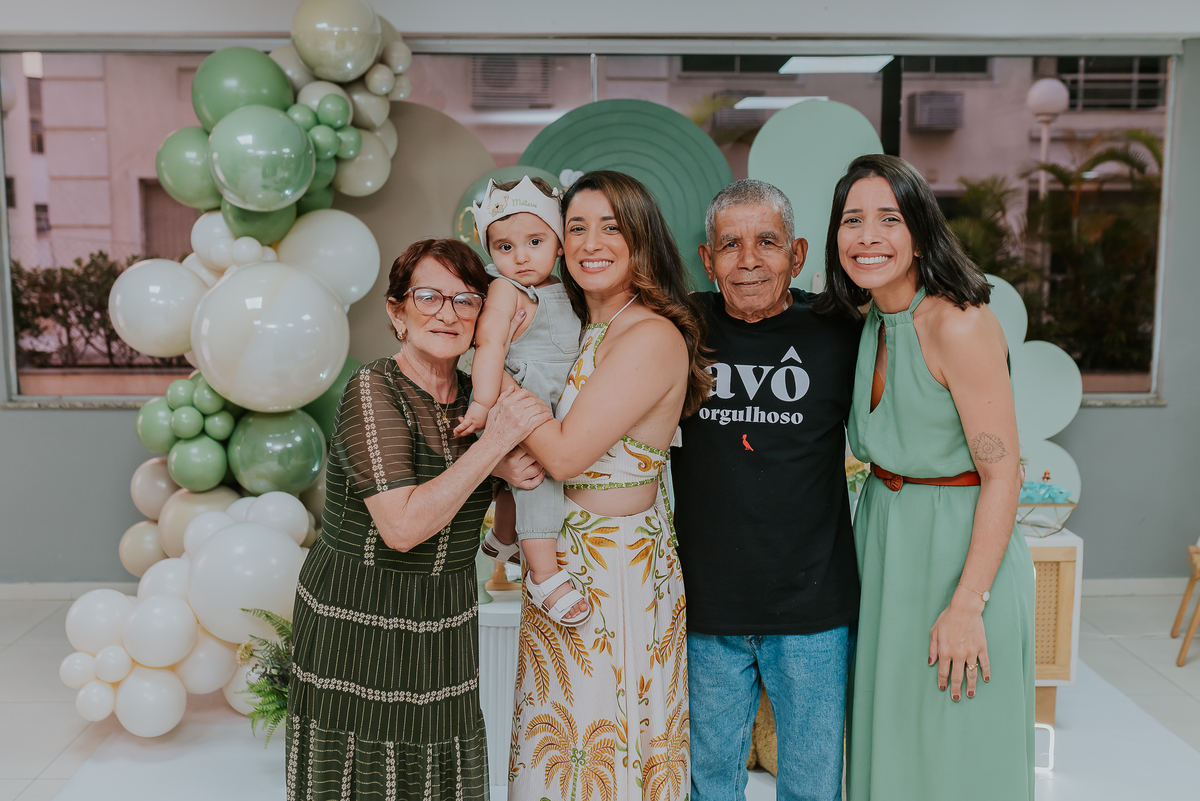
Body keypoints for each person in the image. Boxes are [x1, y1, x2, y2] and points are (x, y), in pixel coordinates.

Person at [286, 238, 552, 801]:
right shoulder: (374, 387)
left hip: (444, 612)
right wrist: (495, 448)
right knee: (355, 776)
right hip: (356, 611)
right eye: (428, 296)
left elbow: (499, 540)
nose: (447, 313)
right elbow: (402, 529)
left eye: (466, 300)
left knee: (440, 774)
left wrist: (510, 484)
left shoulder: (479, 399)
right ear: (396, 312)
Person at [818, 154, 1035, 800]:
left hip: (959, 556)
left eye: (889, 218)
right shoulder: (870, 325)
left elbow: (1004, 475)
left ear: (920, 231)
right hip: (887, 546)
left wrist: (969, 604)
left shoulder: (959, 324)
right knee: (893, 743)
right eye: (852, 220)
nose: (868, 236)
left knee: (956, 751)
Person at [506, 171, 713, 801]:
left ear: (641, 239)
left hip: (617, 566)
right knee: (555, 737)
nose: (592, 242)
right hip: (560, 556)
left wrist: (492, 382)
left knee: (605, 744)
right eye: (576, 227)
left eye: (612, 227)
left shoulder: (650, 334)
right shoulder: (569, 328)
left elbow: (564, 455)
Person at [671, 179, 862, 801]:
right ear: (707, 259)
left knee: (811, 787)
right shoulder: (676, 327)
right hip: (706, 607)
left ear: (799, 254)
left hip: (813, 610)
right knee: (709, 786)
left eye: (767, 242)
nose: (748, 260)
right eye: (730, 244)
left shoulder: (843, 332)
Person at [454, 175, 588, 626]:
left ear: (560, 243)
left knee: (519, 482)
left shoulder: (569, 288)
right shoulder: (506, 290)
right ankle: (543, 573)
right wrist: (483, 404)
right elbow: (489, 347)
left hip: (557, 397)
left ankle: (504, 534)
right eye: (505, 247)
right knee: (538, 478)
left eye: (534, 241)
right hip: (524, 400)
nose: (521, 256)